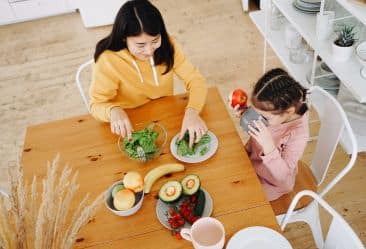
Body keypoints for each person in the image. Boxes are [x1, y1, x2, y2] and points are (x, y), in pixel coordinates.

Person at [89, 0, 208, 147]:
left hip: (164, 118)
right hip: (129, 127)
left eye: (155, 40)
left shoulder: (167, 45)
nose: (149, 50)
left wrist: (192, 111)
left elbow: (195, 80)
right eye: (140, 45)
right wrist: (113, 110)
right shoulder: (107, 60)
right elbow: (96, 105)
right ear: (123, 38)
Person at [244, 68, 309, 201]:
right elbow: (255, 139)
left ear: (289, 112)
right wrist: (245, 116)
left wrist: (269, 146)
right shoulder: (274, 114)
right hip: (252, 163)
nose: (258, 119)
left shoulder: (298, 135)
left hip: (272, 183)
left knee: (241, 199)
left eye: (265, 118)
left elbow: (283, 177)